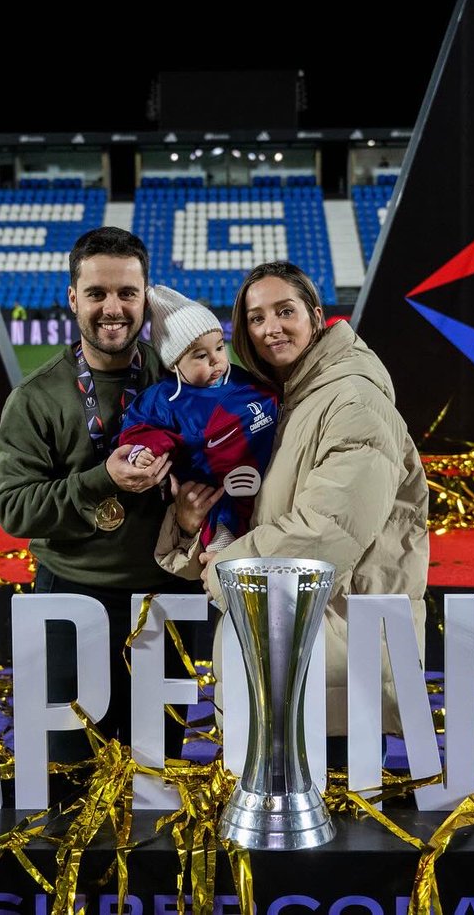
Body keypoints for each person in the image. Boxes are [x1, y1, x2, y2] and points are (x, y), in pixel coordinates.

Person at [156, 260, 429, 741]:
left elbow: (328, 531)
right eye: (256, 318)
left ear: (316, 316)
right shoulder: (284, 399)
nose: (270, 328)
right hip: (288, 655)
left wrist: (226, 567)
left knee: (338, 815)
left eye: (285, 311)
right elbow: (260, 513)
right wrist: (190, 523)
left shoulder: (352, 399)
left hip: (335, 662)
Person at [0, 226, 199, 762]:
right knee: (70, 779)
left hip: (165, 599)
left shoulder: (179, 380)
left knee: (159, 776)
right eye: (97, 293)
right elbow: (13, 509)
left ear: (145, 297)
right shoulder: (35, 399)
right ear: (73, 298)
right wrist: (101, 479)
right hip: (71, 598)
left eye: (127, 293)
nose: (113, 308)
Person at [118, 285, 278, 552]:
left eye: (219, 347)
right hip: (217, 502)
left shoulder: (245, 381)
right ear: (174, 363)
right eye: (201, 356)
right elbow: (140, 429)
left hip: (269, 494)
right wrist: (143, 452)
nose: (216, 360)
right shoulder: (166, 399)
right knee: (223, 556)